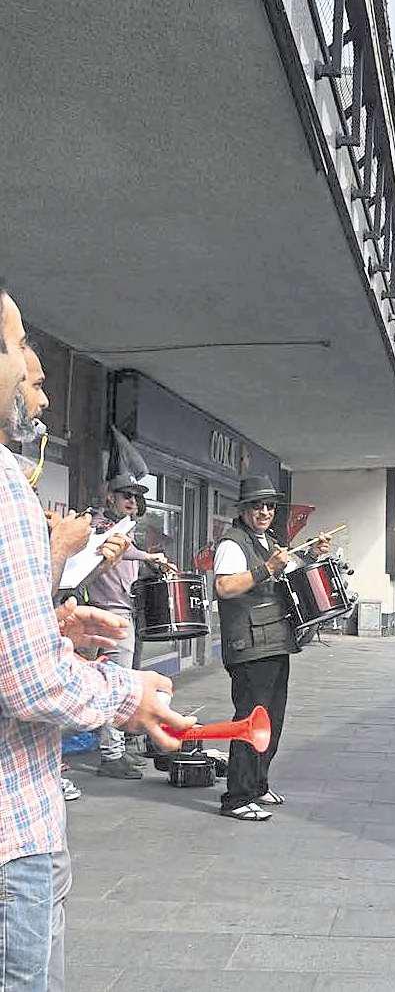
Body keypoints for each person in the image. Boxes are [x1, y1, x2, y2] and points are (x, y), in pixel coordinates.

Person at [0, 285, 193, 991]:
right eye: (19, 344)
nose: (35, 371)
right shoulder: (5, 490)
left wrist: (45, 619)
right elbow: (29, 682)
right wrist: (126, 695)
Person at [210, 475, 330, 821]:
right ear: (244, 509)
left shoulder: (270, 541)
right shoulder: (232, 543)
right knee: (250, 721)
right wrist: (266, 569)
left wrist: (311, 554)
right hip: (249, 646)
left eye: (269, 507)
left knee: (272, 721)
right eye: (257, 506)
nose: (264, 512)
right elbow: (225, 587)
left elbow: (289, 570)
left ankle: (258, 784)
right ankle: (237, 797)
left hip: (275, 642)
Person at [84, 475, 175, 780]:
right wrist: (148, 555)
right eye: (126, 495)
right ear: (110, 496)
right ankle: (111, 755)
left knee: (125, 683)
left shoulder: (125, 528)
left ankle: (122, 746)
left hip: (126, 613)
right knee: (115, 684)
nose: (132, 501)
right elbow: (113, 547)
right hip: (109, 614)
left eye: (136, 497)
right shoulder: (97, 524)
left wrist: (152, 564)